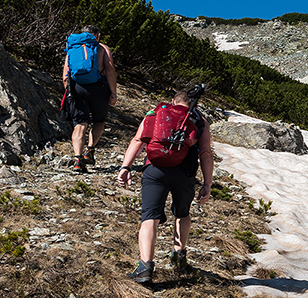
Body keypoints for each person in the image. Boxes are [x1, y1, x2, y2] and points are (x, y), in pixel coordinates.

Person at [116, 87, 213, 284]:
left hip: (155, 169)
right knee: (182, 213)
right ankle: (178, 258)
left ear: (173, 100)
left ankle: (145, 267)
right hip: (184, 173)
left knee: (150, 217)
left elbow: (138, 140)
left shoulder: (156, 112)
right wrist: (207, 184)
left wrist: (126, 167)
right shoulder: (199, 121)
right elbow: (205, 153)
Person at [62, 25, 118, 173]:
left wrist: (69, 93)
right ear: (97, 35)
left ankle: (77, 160)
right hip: (98, 88)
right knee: (99, 121)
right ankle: (89, 150)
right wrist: (113, 92)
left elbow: (65, 75)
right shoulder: (102, 48)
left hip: (77, 88)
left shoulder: (73, 47)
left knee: (80, 124)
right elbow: (110, 68)